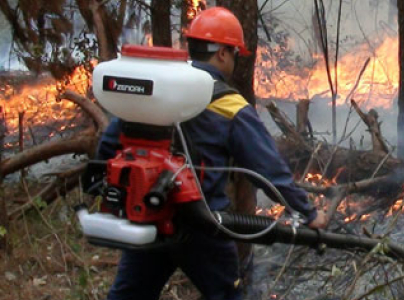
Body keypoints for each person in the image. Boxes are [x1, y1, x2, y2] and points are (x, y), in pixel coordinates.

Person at [98, 7, 328, 300]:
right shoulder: (228, 103)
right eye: (233, 53)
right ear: (222, 53)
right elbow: (268, 169)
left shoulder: (156, 90)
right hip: (203, 227)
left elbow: (108, 145)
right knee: (226, 295)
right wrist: (307, 212)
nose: (233, 60)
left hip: (149, 218)